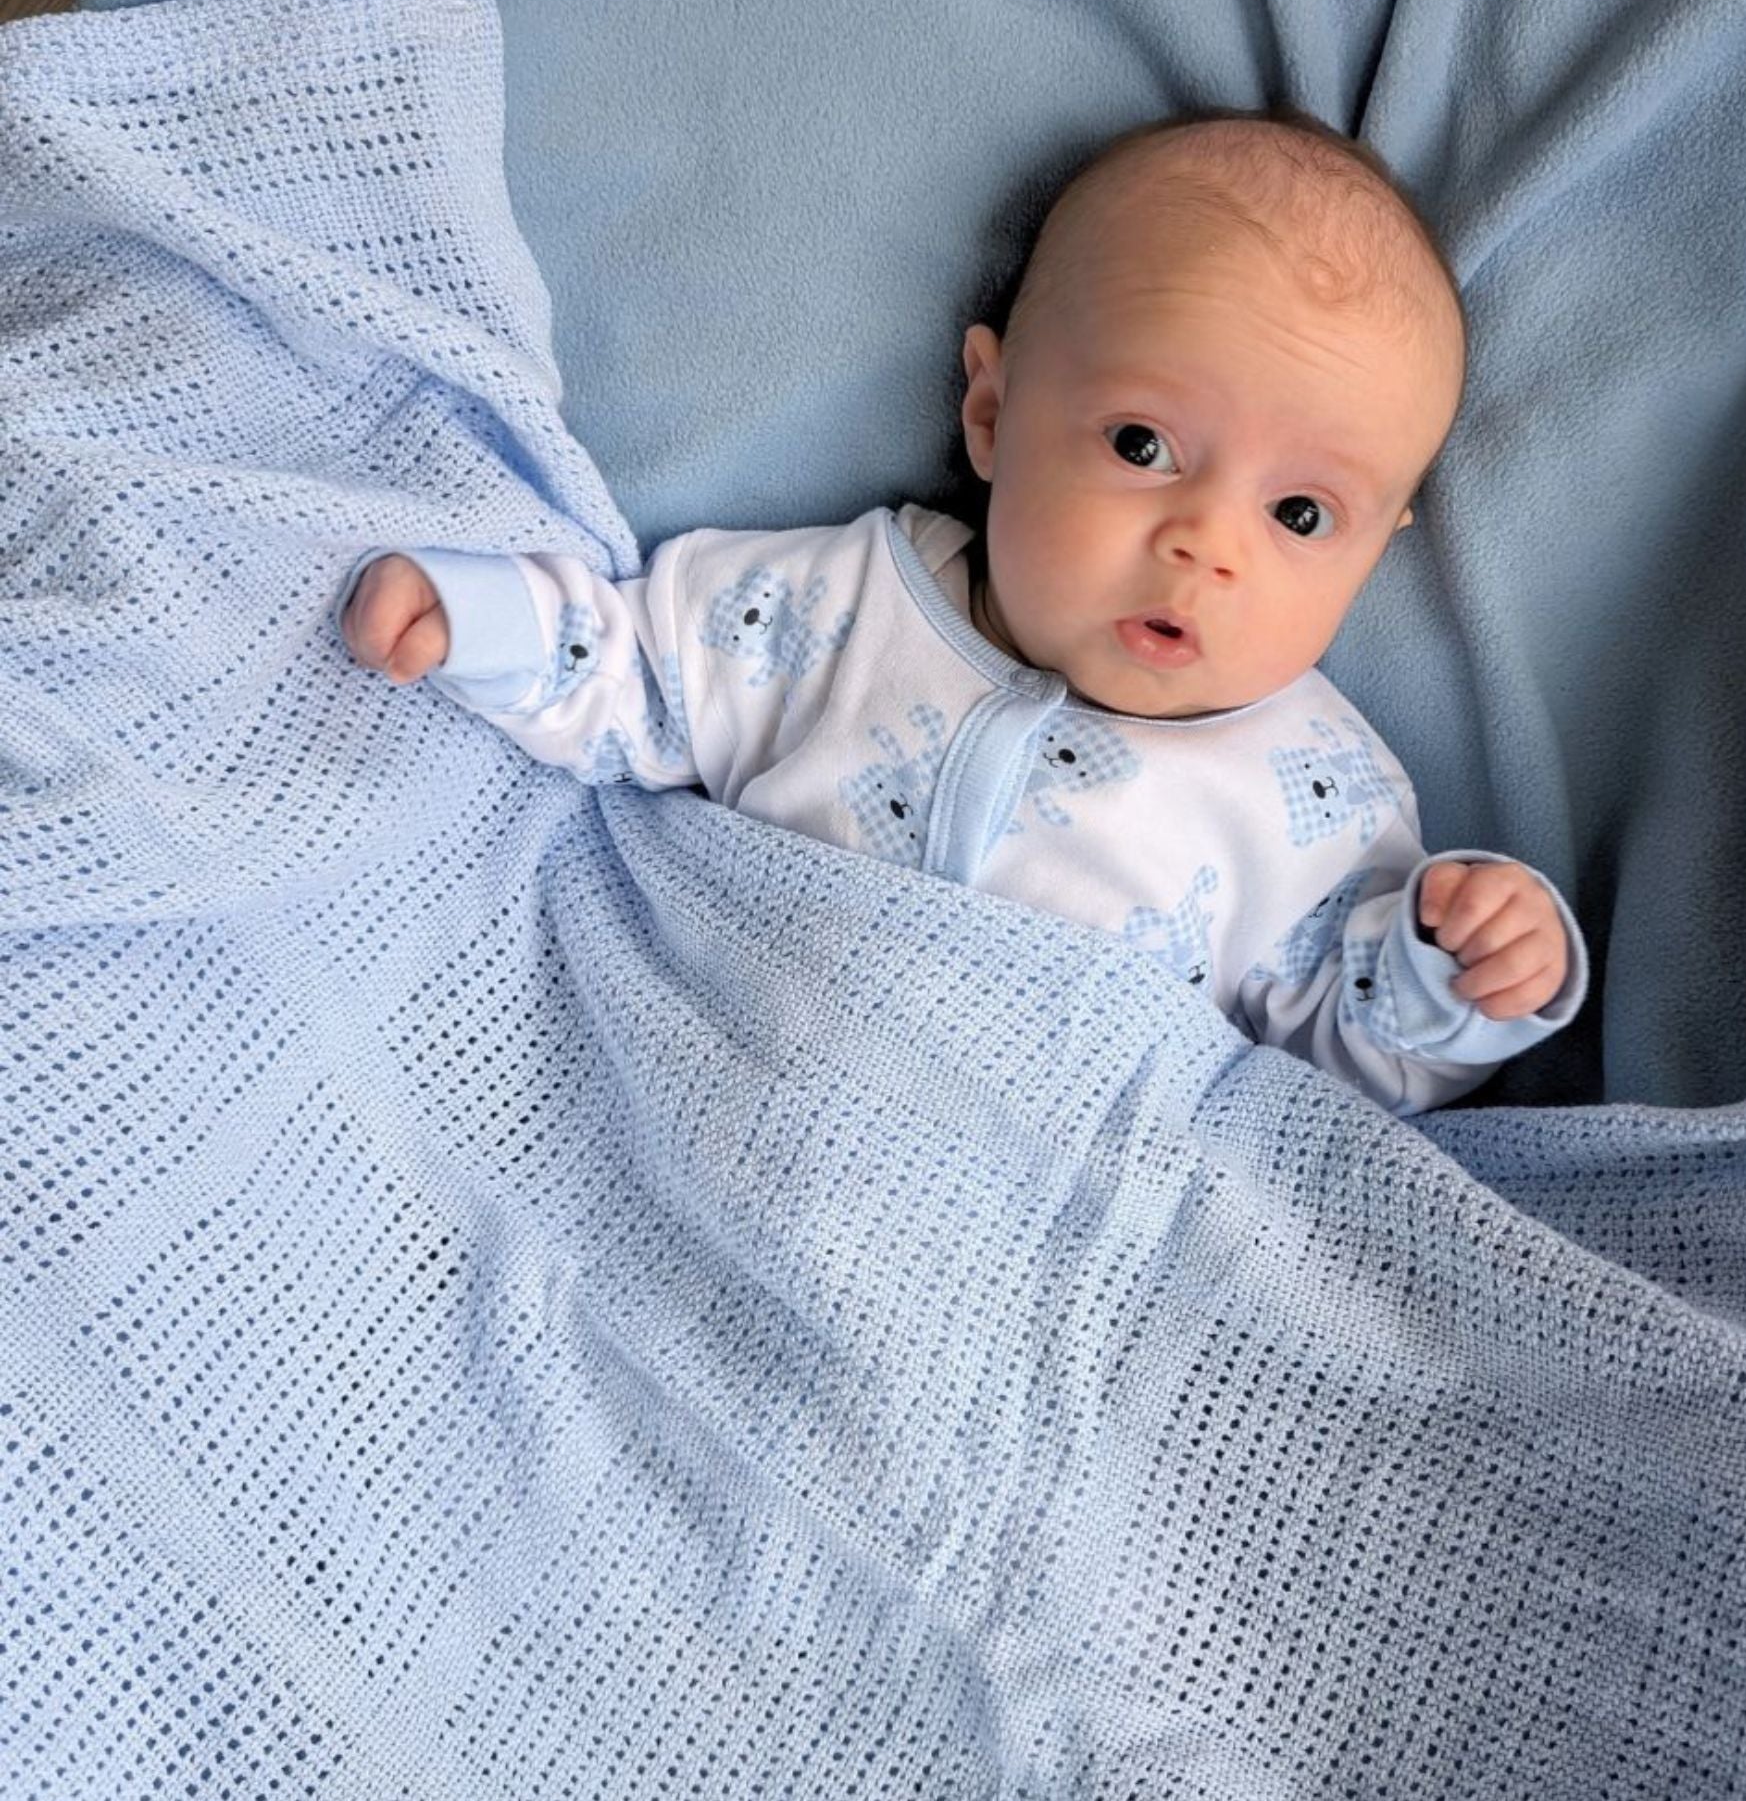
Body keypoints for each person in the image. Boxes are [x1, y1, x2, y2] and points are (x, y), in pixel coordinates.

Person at [336, 104, 1587, 1117]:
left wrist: (1459, 969)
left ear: (1373, 553)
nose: (1204, 544)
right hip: (716, 1089)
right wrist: (477, 621)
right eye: (1143, 443)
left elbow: (1344, 1057)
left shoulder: (1316, 790)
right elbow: (636, 671)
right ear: (989, 414)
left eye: (1300, 516)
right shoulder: (843, 604)